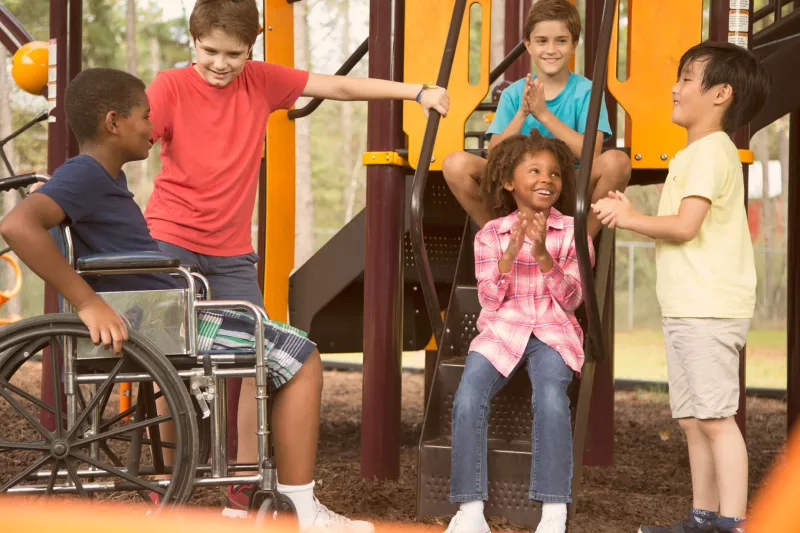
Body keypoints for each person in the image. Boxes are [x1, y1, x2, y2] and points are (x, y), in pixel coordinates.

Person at [0, 67, 372, 533]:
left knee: (285, 345)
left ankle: (262, 493)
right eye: (144, 117)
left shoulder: (95, 178)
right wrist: (87, 302)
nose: (152, 128)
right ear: (113, 122)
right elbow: (16, 226)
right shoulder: (86, 175)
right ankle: (301, 511)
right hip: (162, 321)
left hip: (169, 312)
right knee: (303, 357)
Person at [141, 0, 450, 516]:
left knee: (249, 364)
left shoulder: (260, 82)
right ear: (193, 43)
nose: (220, 63)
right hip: (170, 238)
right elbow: (132, 138)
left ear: (251, 49)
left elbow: (341, 86)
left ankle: (240, 487)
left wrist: (416, 91)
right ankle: (164, 482)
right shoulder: (170, 87)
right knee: (165, 360)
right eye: (210, 51)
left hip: (232, 251)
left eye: (233, 54)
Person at [591, 42, 770, 533]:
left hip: (708, 308)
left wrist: (631, 217)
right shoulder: (698, 154)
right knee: (694, 420)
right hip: (688, 307)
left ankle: (733, 522)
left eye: (689, 78)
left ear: (721, 94)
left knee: (715, 418)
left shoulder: (713, 152)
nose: (676, 86)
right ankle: (703, 518)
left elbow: (687, 225)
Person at [446, 131, 592, 533]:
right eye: (535, 171)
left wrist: (544, 254)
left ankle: (553, 511)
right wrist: (511, 254)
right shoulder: (490, 235)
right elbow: (490, 300)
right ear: (509, 182)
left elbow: (572, 300)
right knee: (467, 398)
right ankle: (471, 510)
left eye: (555, 173)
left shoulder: (573, 234)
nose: (547, 179)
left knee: (550, 397)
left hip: (552, 330)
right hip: (501, 331)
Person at [441, 0, 630, 237]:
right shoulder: (514, 94)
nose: (551, 49)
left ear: (574, 45)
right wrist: (522, 113)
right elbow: (494, 157)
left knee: (617, 162)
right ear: (529, 45)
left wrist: (544, 114)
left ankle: (581, 240)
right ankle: (499, 234)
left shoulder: (587, 92)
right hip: (520, 188)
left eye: (560, 41)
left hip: (569, 186)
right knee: (455, 163)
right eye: (542, 41)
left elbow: (591, 153)